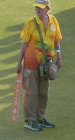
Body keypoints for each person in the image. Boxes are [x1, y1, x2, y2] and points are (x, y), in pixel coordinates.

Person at [16, 0, 62, 131]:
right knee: (31, 92)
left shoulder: (53, 21)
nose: (37, 10)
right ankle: (29, 120)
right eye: (36, 7)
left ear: (48, 9)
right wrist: (19, 62)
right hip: (31, 63)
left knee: (43, 92)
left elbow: (56, 40)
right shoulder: (31, 23)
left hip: (46, 64)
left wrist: (59, 57)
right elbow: (24, 44)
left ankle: (40, 117)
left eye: (40, 8)